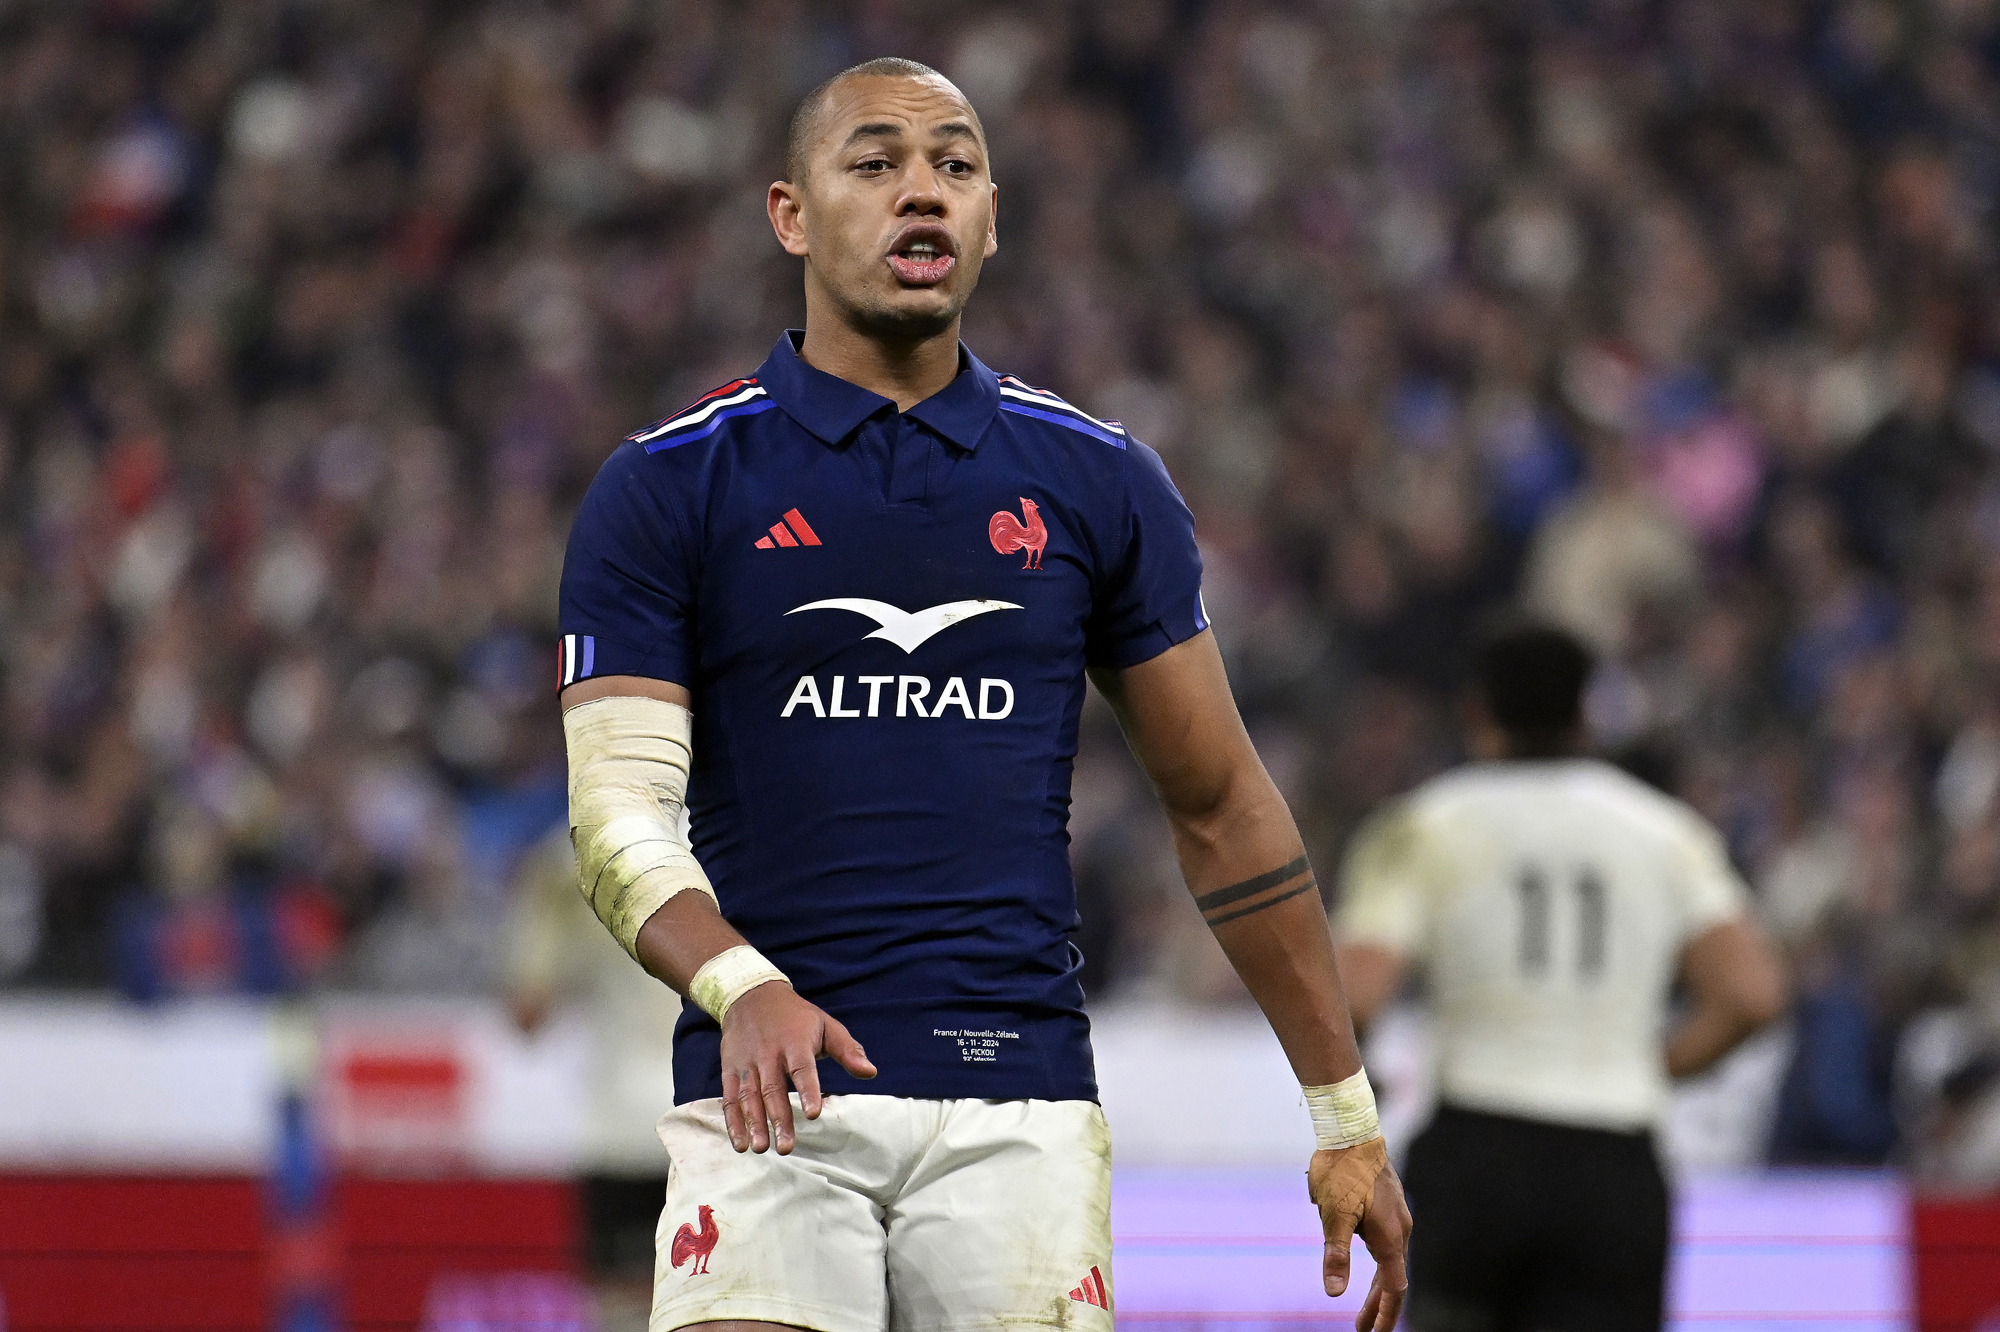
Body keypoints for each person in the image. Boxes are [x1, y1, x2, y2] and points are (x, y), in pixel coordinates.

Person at [555, 57, 1413, 1332]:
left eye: (954, 166)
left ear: (991, 219)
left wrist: (1343, 1117)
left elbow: (1222, 805)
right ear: (790, 215)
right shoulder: (668, 484)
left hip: (1019, 1106)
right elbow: (617, 817)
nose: (922, 192)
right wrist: (743, 987)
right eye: (875, 163)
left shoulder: (1096, 479)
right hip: (765, 1093)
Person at [1334, 623, 1786, 1332]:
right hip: (1612, 1159)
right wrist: (1655, 1068)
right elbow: (1752, 996)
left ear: (1476, 711)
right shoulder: (1664, 832)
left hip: (1479, 1149)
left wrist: (1363, 1098)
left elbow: (1356, 997)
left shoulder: (1425, 827)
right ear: (1585, 715)